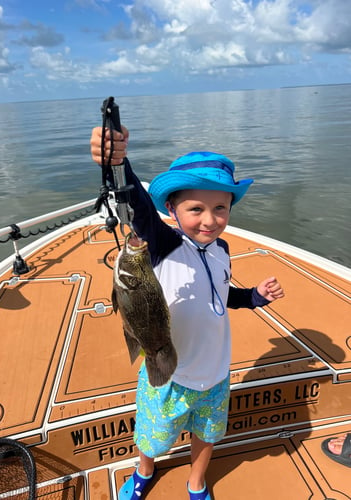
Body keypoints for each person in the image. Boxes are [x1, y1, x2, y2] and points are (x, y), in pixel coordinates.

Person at [90, 126, 285, 500]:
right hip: (170, 371)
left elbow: (221, 295)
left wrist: (255, 296)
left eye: (220, 208)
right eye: (195, 209)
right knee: (153, 434)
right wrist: (118, 161)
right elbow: (138, 206)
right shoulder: (161, 244)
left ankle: (197, 481)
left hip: (216, 374)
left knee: (208, 433)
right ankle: (144, 471)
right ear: (172, 210)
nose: (209, 220)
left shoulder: (222, 249)